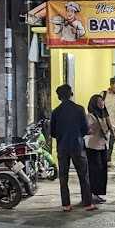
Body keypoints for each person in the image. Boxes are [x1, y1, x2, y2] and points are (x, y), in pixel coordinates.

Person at [50, 84, 95, 212]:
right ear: (71, 94)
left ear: (59, 96)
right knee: (83, 175)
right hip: (77, 146)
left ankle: (66, 205)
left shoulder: (55, 111)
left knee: (63, 177)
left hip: (62, 147)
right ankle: (87, 204)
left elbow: (52, 132)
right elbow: (85, 129)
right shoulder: (79, 109)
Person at [85, 94, 111, 203]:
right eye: (99, 101)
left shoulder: (103, 116)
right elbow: (87, 130)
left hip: (103, 145)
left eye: (102, 101)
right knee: (95, 171)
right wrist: (91, 129)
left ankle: (97, 194)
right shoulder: (90, 116)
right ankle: (92, 194)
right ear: (94, 103)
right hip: (93, 147)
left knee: (102, 171)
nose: (102, 103)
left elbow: (108, 128)